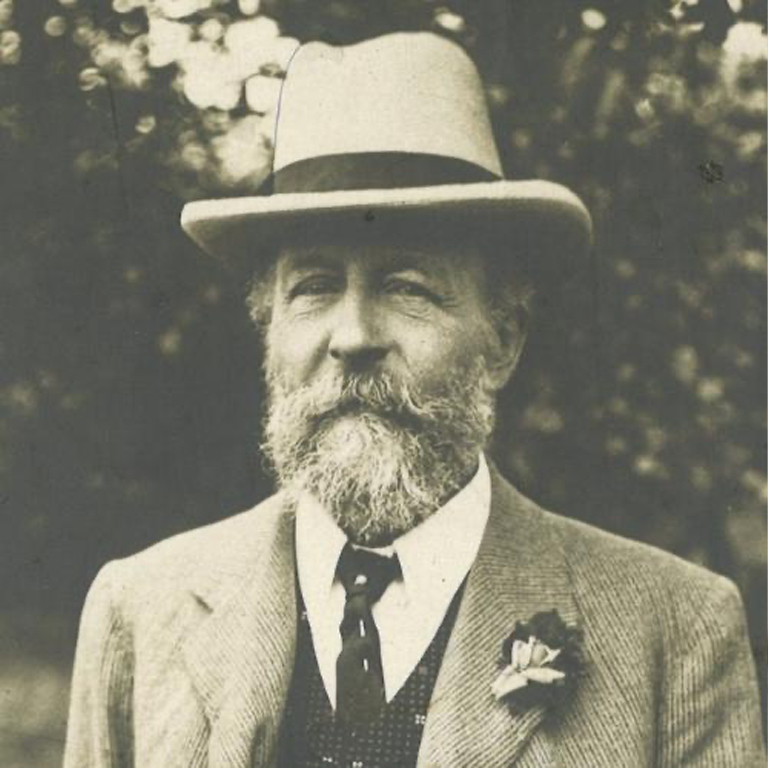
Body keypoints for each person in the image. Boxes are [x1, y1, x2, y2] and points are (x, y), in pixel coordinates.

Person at [63, 32, 764, 768]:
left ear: (502, 341)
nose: (353, 337)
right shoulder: (139, 608)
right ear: (268, 327)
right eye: (314, 287)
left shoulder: (674, 630)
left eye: (408, 287)